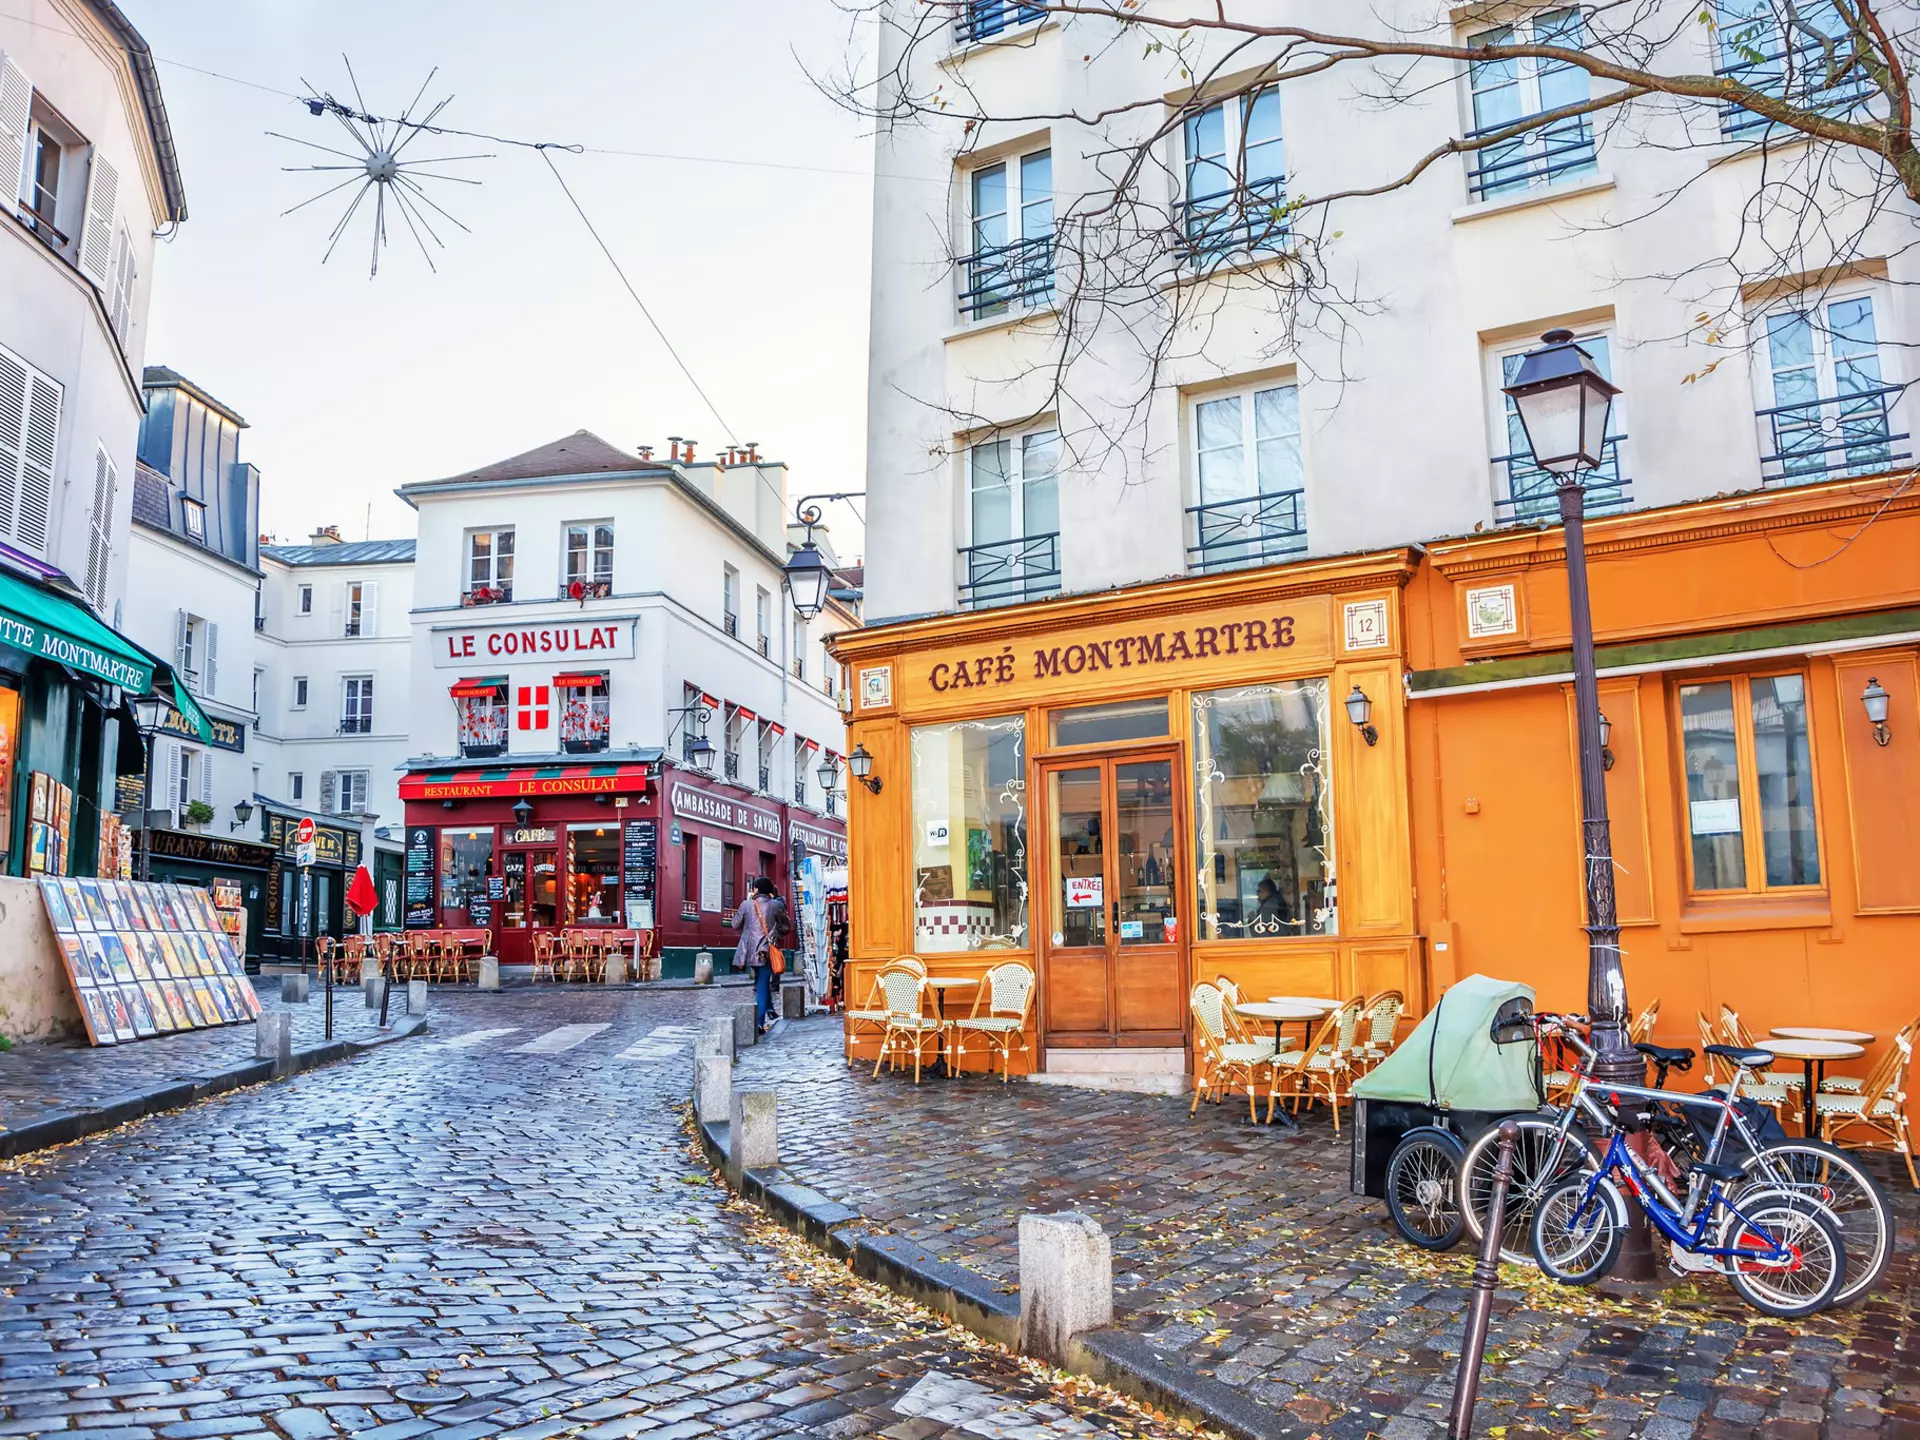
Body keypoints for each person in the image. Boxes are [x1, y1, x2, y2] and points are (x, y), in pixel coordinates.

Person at [730, 875, 793, 1032]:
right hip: (766, 950)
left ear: (756, 889)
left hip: (749, 952)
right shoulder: (777, 904)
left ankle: (761, 1019)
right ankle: (762, 1018)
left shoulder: (746, 904)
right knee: (763, 983)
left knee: (761, 983)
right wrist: (774, 934)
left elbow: (735, 924)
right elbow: (785, 927)